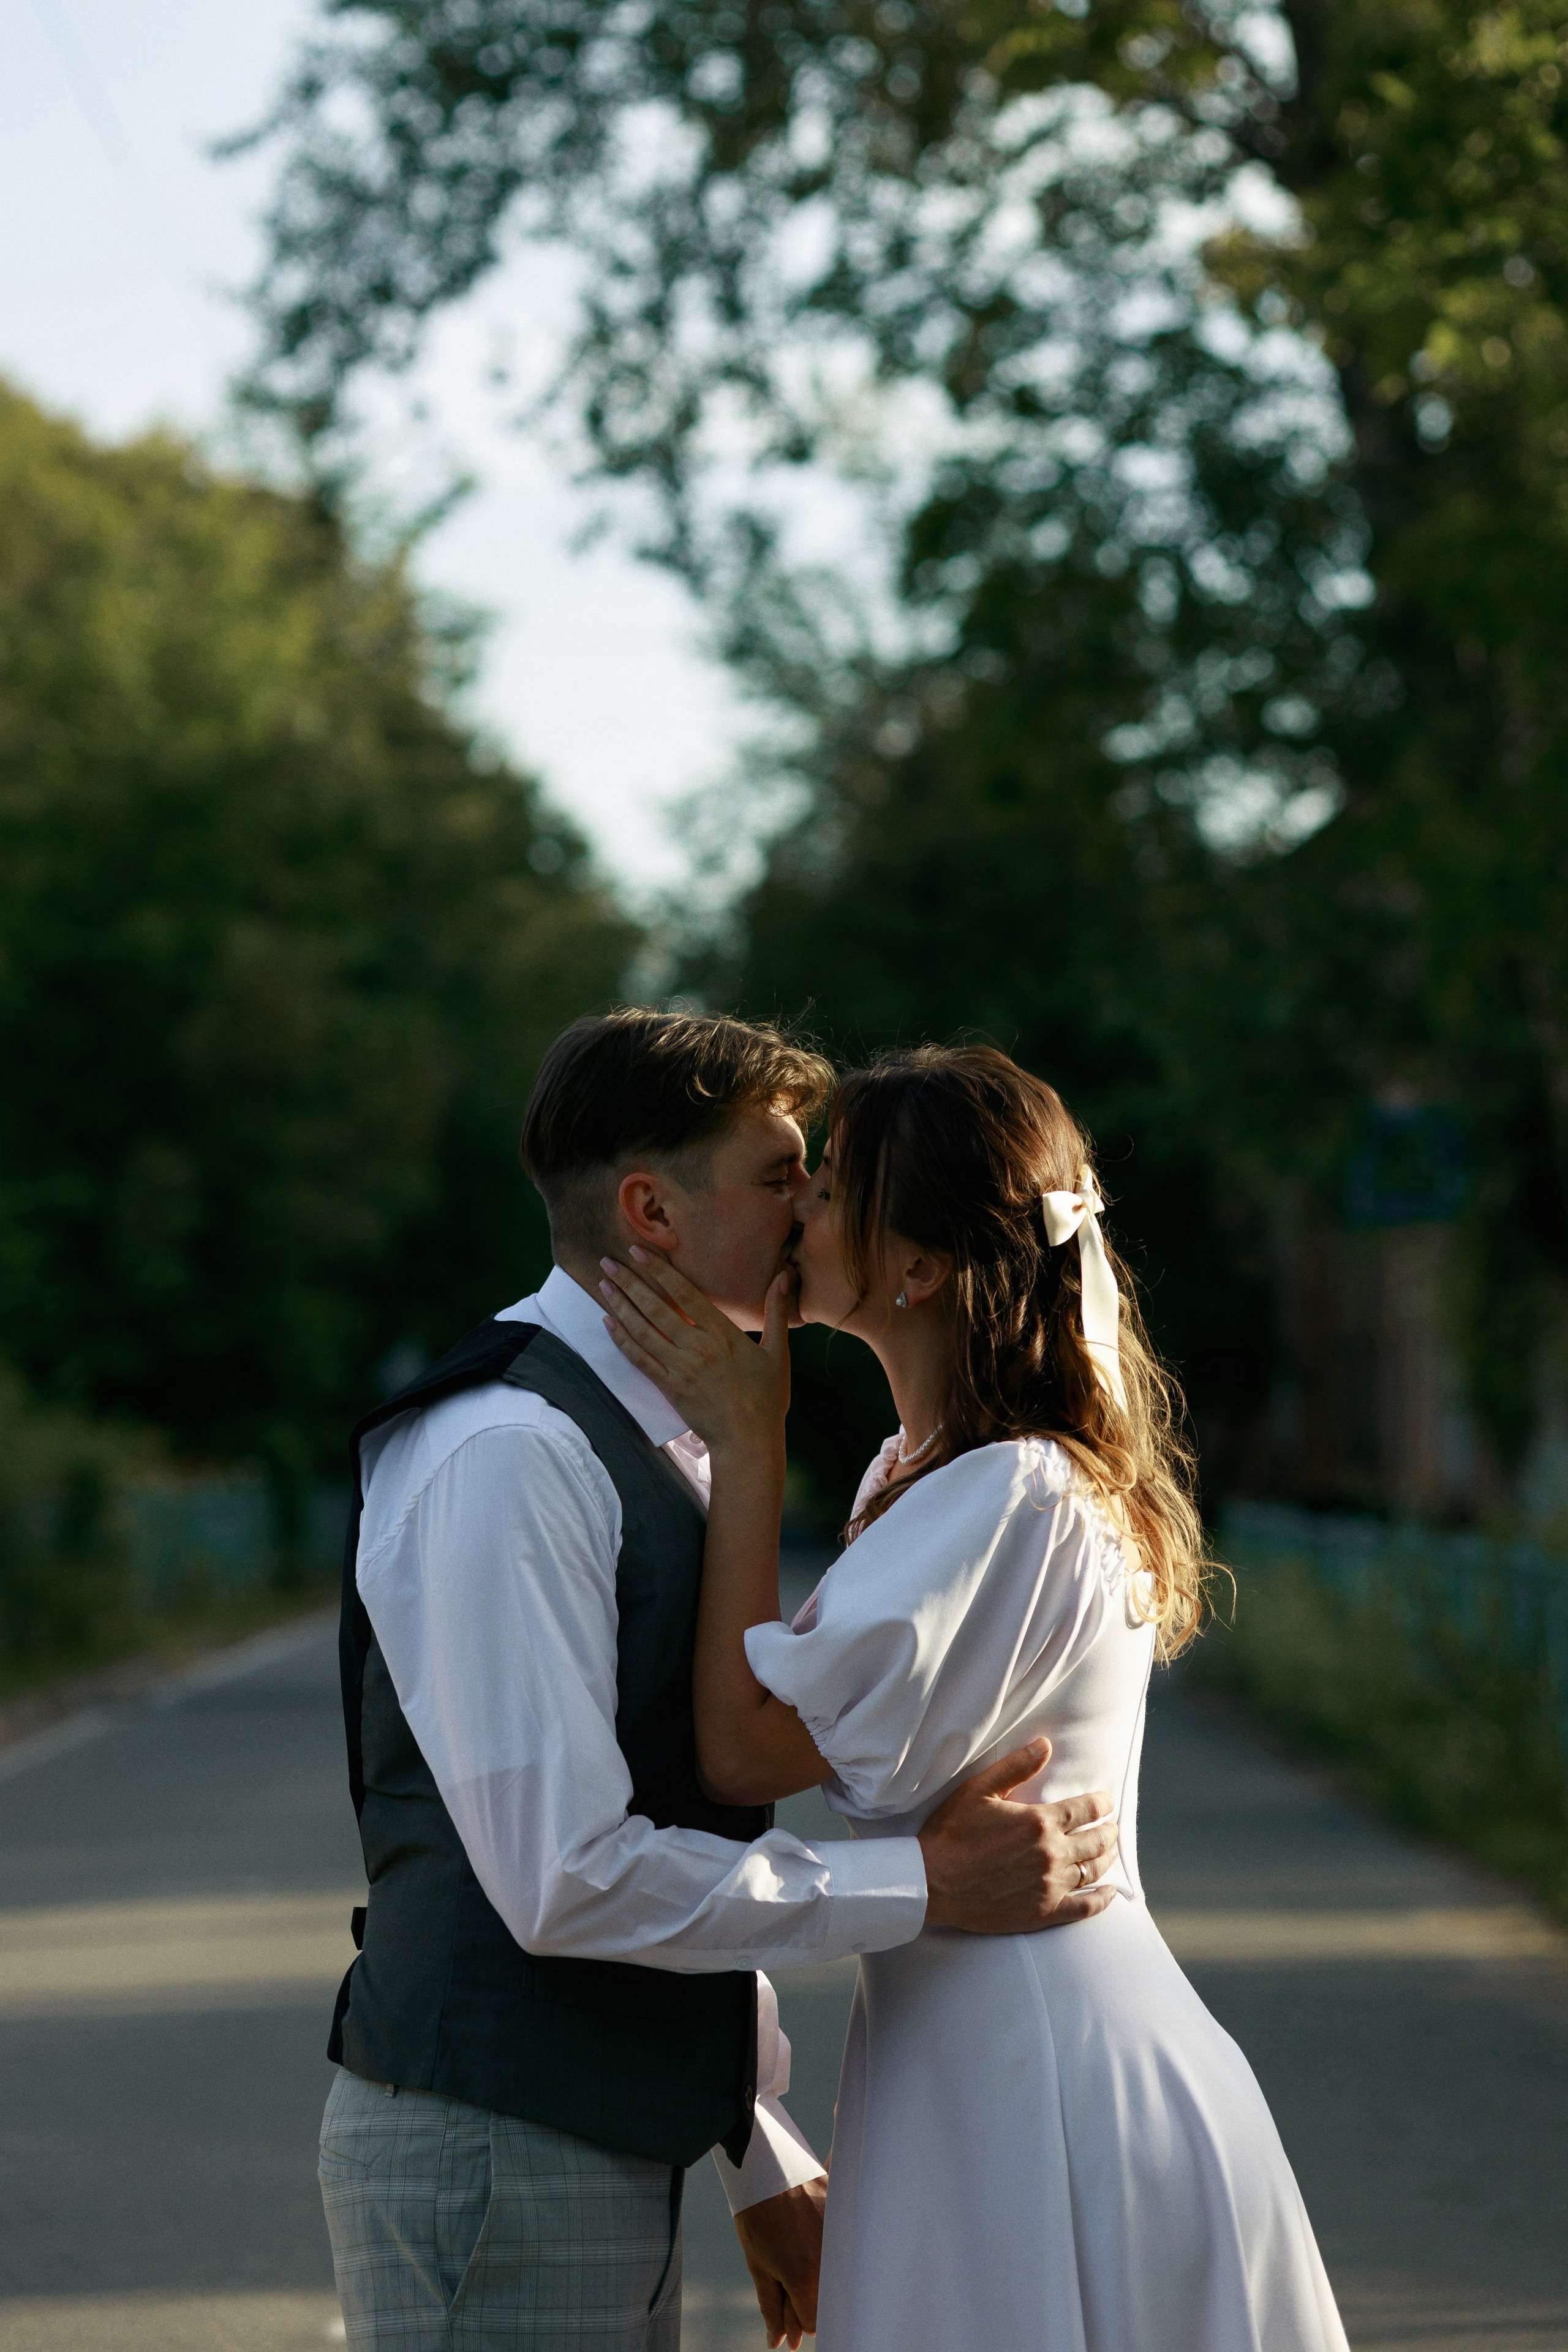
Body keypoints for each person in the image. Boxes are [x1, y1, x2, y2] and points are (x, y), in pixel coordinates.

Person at [319, 1010, 1124, 2352]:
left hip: (582, 2136)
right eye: (778, 1174)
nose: (813, 1204)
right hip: (495, 2148)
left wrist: (754, 2150)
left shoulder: (658, 1438)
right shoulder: (510, 1452)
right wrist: (923, 1883)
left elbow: (685, 1824)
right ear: (651, 1211)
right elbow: (566, 1876)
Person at [600, 1041, 1352, 2352]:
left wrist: (746, 1438)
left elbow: (737, 1752)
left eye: (832, 1184)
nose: (798, 1209)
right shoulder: (929, 1472)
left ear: (919, 1265)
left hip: (1039, 2061)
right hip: (964, 2047)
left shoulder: (1010, 1491)